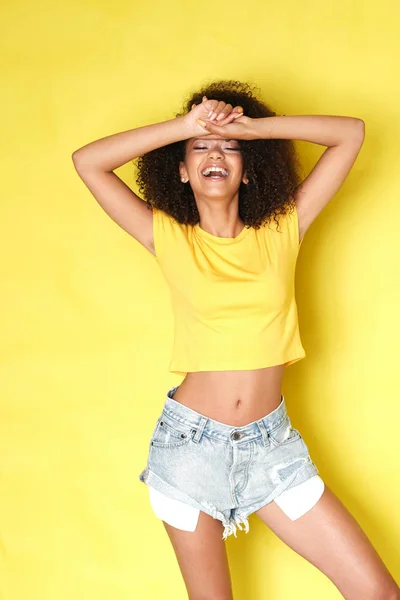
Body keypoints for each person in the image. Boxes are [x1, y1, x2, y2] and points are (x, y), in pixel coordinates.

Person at [72, 81, 399, 600]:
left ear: (248, 170)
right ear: (181, 170)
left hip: (275, 451)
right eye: (201, 148)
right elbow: (88, 161)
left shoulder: (282, 229)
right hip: (188, 451)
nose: (215, 152)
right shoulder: (166, 236)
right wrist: (188, 125)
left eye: (229, 148)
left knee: (377, 592)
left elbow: (350, 134)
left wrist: (251, 129)